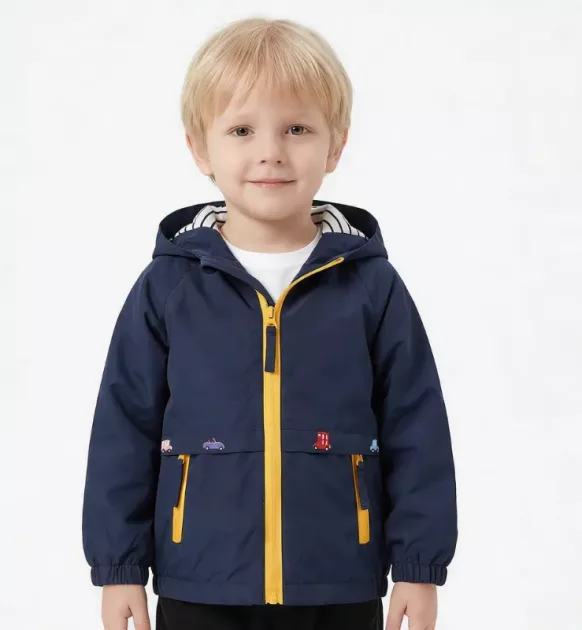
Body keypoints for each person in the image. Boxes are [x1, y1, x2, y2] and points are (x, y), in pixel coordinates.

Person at [82, 16, 457, 630]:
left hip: (338, 581)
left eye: (297, 128)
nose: (271, 151)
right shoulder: (168, 287)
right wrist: (118, 567)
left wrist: (418, 565)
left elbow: (417, 427)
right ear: (200, 148)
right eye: (241, 130)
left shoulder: (371, 286)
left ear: (335, 145)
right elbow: (123, 430)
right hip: (201, 582)